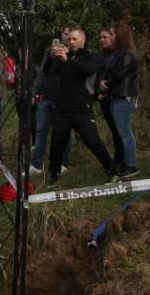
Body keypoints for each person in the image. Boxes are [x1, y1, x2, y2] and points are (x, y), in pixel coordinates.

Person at [45, 26, 118, 184]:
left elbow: (88, 69)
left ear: (82, 40)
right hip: (61, 108)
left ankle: (110, 168)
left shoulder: (90, 56)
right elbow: (48, 72)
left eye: (74, 39)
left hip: (81, 107)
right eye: (69, 39)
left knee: (92, 140)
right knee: (57, 143)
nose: (70, 42)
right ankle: (54, 174)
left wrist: (68, 60)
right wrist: (51, 57)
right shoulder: (63, 55)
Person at [97, 23, 141, 179]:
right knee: (121, 131)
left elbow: (119, 74)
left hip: (124, 95)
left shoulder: (128, 54)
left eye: (113, 34)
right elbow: (108, 71)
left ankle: (131, 165)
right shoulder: (118, 53)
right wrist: (103, 84)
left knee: (124, 131)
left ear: (120, 36)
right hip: (116, 95)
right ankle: (125, 162)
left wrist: (106, 85)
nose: (111, 37)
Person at [29, 28, 74, 175]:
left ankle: (62, 163)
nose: (67, 37)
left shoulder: (75, 52)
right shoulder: (50, 51)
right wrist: (35, 92)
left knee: (64, 132)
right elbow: (43, 72)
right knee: (41, 131)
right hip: (47, 97)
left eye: (70, 34)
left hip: (65, 98)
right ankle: (36, 165)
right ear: (61, 35)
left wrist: (66, 56)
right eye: (65, 34)